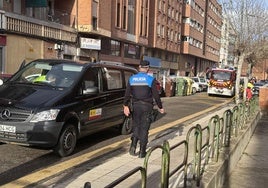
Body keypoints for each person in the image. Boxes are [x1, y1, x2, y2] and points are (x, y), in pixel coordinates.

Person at [123, 60, 165, 158]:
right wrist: (160, 107)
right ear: (147, 68)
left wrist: (125, 106)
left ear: (139, 67)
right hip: (147, 106)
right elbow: (156, 95)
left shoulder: (132, 79)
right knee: (144, 128)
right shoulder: (150, 79)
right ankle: (142, 151)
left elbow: (127, 94)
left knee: (136, 126)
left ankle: (133, 147)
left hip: (135, 106)